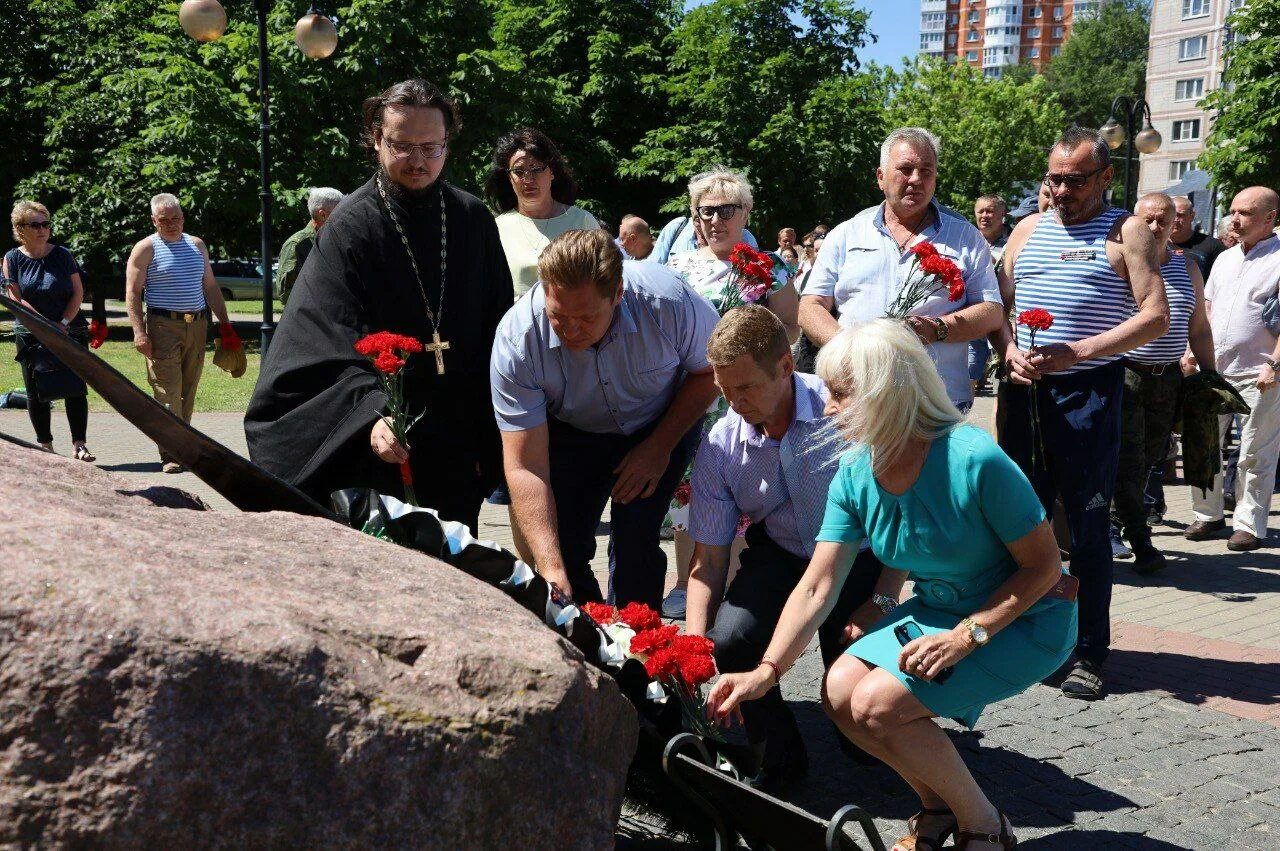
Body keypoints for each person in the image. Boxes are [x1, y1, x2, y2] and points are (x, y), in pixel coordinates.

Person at [707, 319, 1076, 851]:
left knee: (878, 706)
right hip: (941, 610)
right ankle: (936, 809)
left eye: (839, 395)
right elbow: (818, 585)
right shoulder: (856, 470)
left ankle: (984, 826)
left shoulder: (974, 459)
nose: (827, 409)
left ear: (885, 393)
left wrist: (966, 636)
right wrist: (767, 671)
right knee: (838, 695)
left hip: (1026, 619)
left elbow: (1043, 568)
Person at [246, 78, 514, 531]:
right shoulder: (351, 226)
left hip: (458, 435)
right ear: (376, 139)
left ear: (448, 143)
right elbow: (322, 338)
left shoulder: (472, 219)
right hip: (385, 442)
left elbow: (498, 326)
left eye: (431, 148)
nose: (418, 161)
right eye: (402, 145)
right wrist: (371, 412)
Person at [993, 127, 1168, 700]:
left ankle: (1091, 651)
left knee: (1088, 526)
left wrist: (1082, 351)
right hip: (1026, 393)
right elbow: (1002, 309)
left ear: (1105, 178)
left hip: (1089, 391)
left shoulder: (1129, 232)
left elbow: (1156, 316)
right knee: (1019, 519)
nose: (1062, 191)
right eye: (1055, 179)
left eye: (1075, 180)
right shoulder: (1026, 229)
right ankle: (1024, 635)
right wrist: (1008, 352)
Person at [686, 306, 885, 792]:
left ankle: (869, 738)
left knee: (862, 729)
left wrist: (882, 599)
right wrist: (693, 644)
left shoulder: (843, 412)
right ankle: (778, 757)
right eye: (723, 389)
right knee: (730, 637)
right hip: (781, 551)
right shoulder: (721, 444)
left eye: (745, 387)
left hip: (858, 557)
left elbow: (901, 516)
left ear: (784, 366)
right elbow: (708, 561)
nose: (734, 402)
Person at [492, 228, 719, 608]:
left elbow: (710, 369)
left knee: (637, 544)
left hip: (660, 420)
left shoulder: (668, 300)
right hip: (570, 429)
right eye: (558, 316)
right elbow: (526, 465)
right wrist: (549, 566)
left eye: (585, 317)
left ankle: (641, 646)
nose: (570, 330)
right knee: (561, 548)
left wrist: (659, 446)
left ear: (618, 294)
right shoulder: (517, 341)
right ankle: (587, 639)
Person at [661, 167, 799, 618]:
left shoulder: (769, 268)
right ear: (694, 216)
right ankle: (687, 583)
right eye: (706, 212)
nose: (716, 220)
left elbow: (791, 328)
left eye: (727, 210)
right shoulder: (678, 268)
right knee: (688, 489)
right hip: (689, 396)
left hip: (742, 401)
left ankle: (733, 587)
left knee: (737, 487)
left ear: (746, 212)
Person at [799, 127, 1004, 412]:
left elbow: (992, 311)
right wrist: (850, 349)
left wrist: (937, 329)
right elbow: (810, 306)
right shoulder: (846, 235)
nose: (916, 180)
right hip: (859, 395)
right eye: (905, 169)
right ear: (880, 177)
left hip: (936, 400)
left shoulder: (965, 237)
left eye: (926, 171)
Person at [1112, 193, 1215, 573]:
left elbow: (1199, 325)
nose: (1155, 228)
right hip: (1126, 373)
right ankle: (1139, 540)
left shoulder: (1188, 265)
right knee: (1130, 457)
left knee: (1153, 457)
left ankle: (1116, 520)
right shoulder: (1123, 261)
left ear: (1176, 224)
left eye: (1163, 221)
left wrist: (1209, 374)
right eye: (1147, 220)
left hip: (1167, 377)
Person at [1185, 187, 1280, 552]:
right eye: (1233, 211)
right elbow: (1206, 309)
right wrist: (1191, 353)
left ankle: (1249, 524)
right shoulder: (1225, 258)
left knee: (1254, 452)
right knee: (1203, 443)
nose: (1234, 219)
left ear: (1269, 218)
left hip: (1261, 372)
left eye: (1244, 213)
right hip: (1215, 368)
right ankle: (1208, 516)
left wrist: (1273, 364)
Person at [125, 193, 234, 474]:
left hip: (197, 325)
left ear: (183, 218)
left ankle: (183, 446)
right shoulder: (145, 248)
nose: (172, 224)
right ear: (154, 220)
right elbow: (133, 293)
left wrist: (225, 323)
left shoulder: (197, 245)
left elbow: (209, 286)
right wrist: (139, 332)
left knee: (188, 390)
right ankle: (171, 453)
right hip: (163, 327)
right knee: (167, 391)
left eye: (176, 218)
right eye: (164, 220)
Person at [3, 200, 93, 460]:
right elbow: (15, 297)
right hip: (31, 333)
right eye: (35, 224)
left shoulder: (63, 254)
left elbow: (77, 291)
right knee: (37, 391)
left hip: (70, 329)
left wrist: (62, 323)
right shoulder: (12, 258)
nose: (43, 229)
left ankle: (79, 444)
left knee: (75, 387)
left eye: (46, 224)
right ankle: (46, 447)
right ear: (20, 228)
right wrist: (45, 326)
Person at [486, 128, 599, 300]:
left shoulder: (582, 221)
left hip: (573, 324)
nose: (528, 179)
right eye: (518, 171)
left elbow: (605, 282)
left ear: (552, 171)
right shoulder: (496, 227)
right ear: (509, 178)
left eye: (536, 169)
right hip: (515, 324)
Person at [277, 187, 343, 306]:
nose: (344, 218)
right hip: (308, 320)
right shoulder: (297, 245)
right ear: (322, 215)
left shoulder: (338, 239)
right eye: (339, 213)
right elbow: (285, 294)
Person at [970, 194, 1008, 396]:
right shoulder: (968, 240)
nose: (984, 216)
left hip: (1005, 316)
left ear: (1003, 214)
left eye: (990, 211)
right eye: (980, 211)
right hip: (975, 313)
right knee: (971, 367)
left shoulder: (1013, 242)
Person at [651, 203, 758, 265]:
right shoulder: (677, 227)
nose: (714, 219)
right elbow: (655, 268)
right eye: (706, 211)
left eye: (724, 212)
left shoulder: (744, 236)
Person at [1171, 195, 1226, 281]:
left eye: (1180, 215)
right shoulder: (1156, 245)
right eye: (1171, 215)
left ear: (1192, 216)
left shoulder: (1213, 246)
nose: (1175, 219)